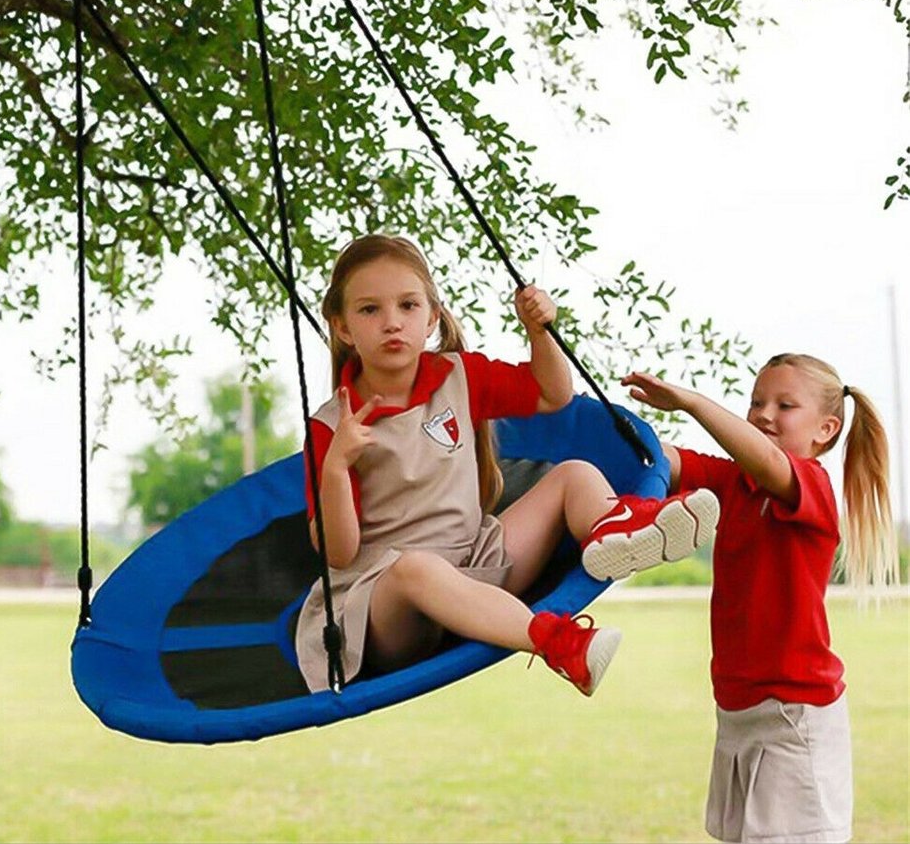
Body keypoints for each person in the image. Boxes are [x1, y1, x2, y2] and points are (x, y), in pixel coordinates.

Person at [295, 233, 720, 696]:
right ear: (342, 327)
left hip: (473, 561)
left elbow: (550, 393)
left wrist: (540, 333)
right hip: (385, 603)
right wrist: (336, 468)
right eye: (369, 310)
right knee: (417, 568)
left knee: (573, 474)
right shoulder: (330, 426)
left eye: (408, 306)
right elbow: (338, 553)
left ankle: (617, 530)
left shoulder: (460, 375)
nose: (392, 323)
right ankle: (557, 642)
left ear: (433, 316)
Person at [581, 353, 899, 844]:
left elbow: (770, 461)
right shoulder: (734, 484)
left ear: (826, 429)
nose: (764, 413)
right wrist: (585, 418)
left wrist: (688, 401)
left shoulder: (809, 486)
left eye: (785, 405)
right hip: (736, 711)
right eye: (756, 402)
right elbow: (657, 456)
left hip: (792, 718)